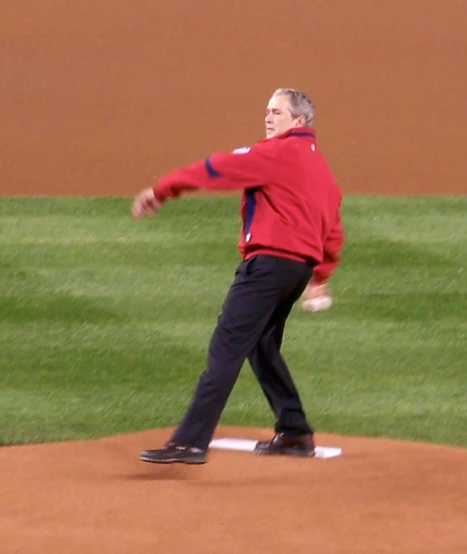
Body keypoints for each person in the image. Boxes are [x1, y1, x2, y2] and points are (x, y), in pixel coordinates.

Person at [131, 88, 344, 464]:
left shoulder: (275, 154)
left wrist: (163, 189)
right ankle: (294, 431)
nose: (268, 117)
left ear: (298, 121)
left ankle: (191, 441)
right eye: (267, 110)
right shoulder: (320, 167)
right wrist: (319, 277)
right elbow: (333, 225)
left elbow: (216, 168)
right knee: (260, 344)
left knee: (226, 346)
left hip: (267, 266)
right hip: (296, 270)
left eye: (276, 112)